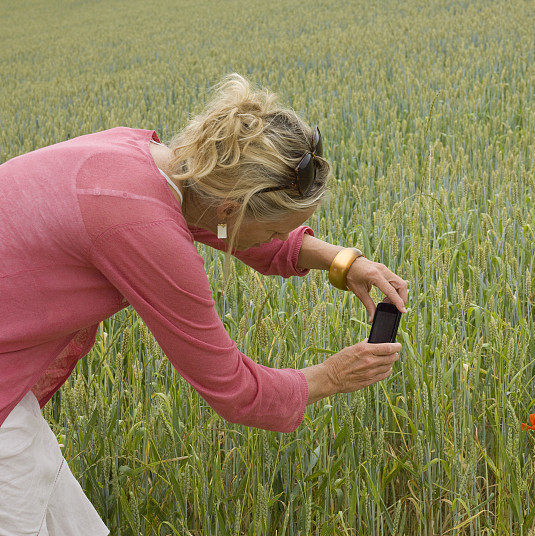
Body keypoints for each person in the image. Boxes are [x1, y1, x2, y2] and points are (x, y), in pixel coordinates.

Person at [0, 73, 408, 535]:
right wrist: (332, 376)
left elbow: (218, 227)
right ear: (231, 209)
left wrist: (342, 261)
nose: (275, 241)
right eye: (276, 230)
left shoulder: (142, 161)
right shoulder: (142, 231)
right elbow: (234, 389)